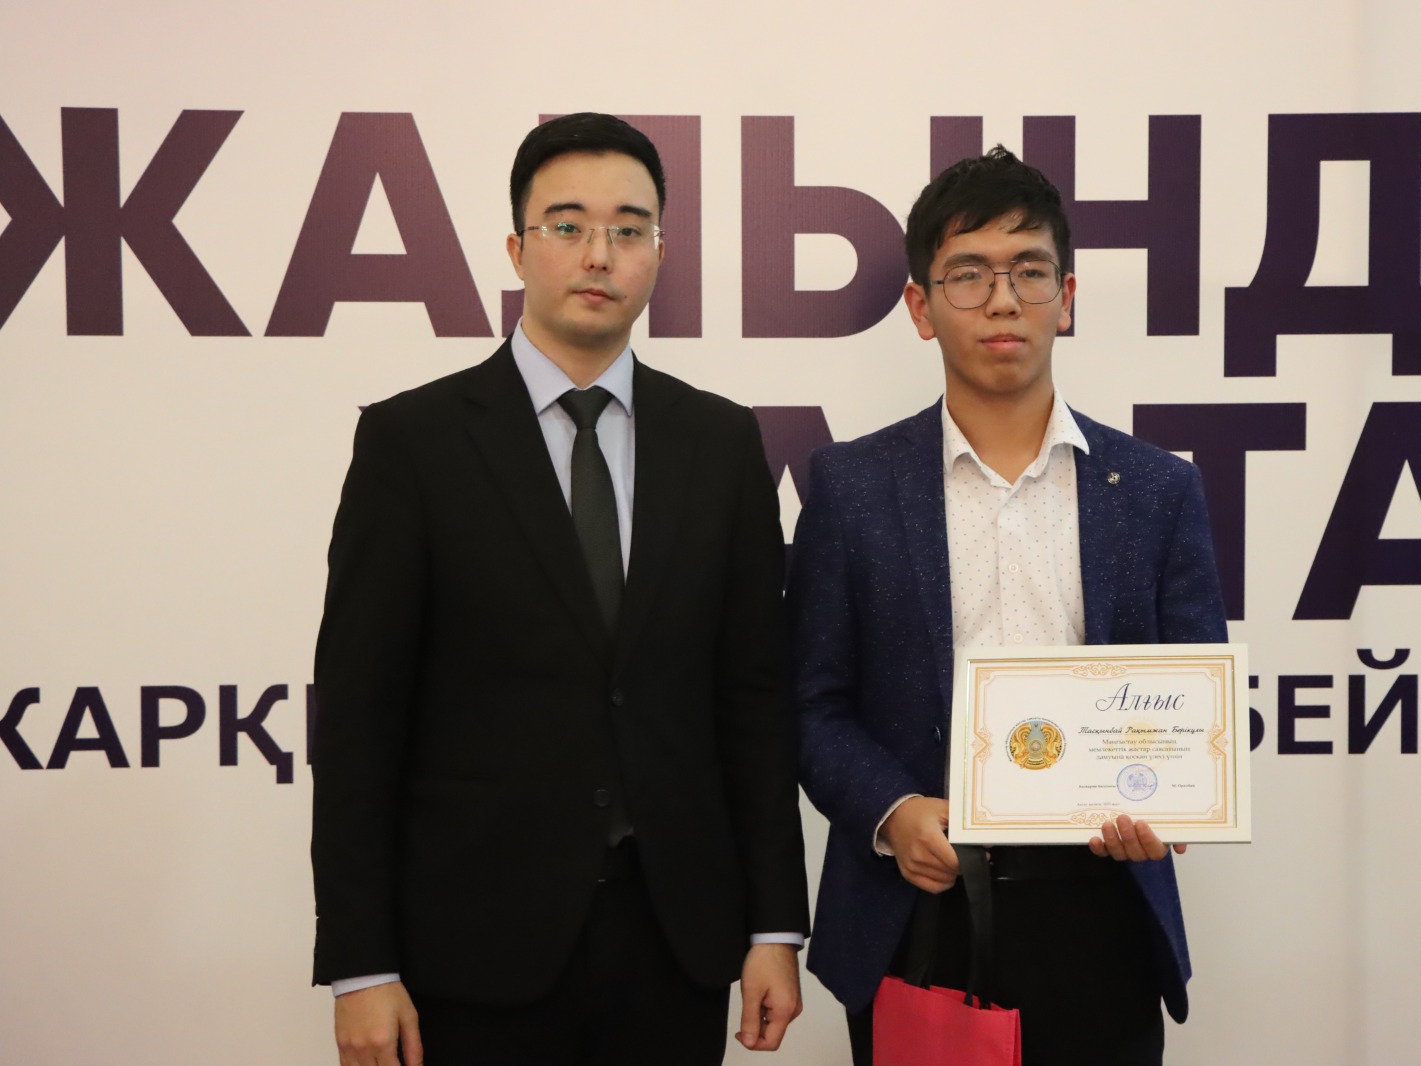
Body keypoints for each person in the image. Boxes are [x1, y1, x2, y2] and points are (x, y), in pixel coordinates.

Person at [310, 113, 809, 1066]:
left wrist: (774, 925)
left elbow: (752, 698)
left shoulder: (720, 442)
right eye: (568, 225)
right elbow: (360, 719)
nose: (598, 254)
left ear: (659, 253)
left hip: (674, 940)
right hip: (473, 945)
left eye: (629, 228)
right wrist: (360, 964)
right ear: (517, 249)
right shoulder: (414, 444)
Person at [787, 146, 1227, 1065]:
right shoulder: (852, 487)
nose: (1002, 300)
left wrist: (1174, 800)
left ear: (1066, 298)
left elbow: (1198, 698)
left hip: (1104, 910)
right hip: (922, 908)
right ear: (920, 307)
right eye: (969, 274)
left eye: (1029, 272)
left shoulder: (1156, 490)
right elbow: (810, 704)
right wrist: (891, 809)